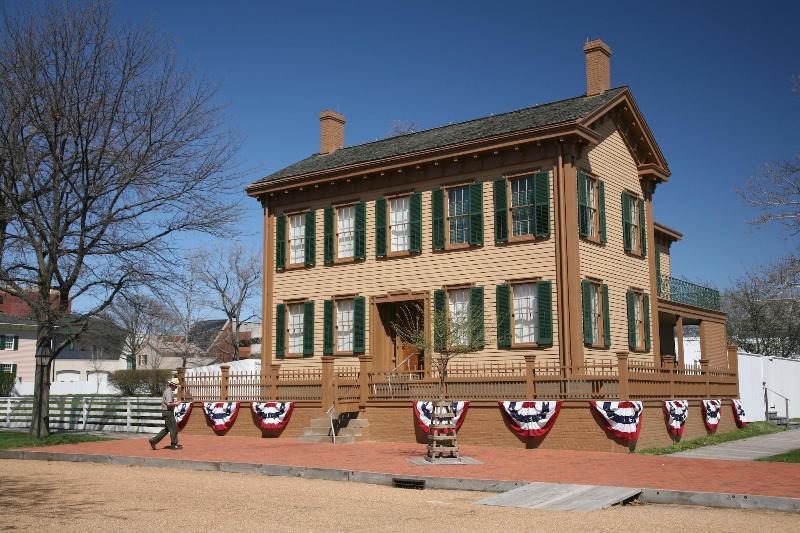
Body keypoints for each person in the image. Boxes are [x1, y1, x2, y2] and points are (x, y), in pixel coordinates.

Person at [149, 377, 182, 450]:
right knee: (174, 428)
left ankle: (154, 441)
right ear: (173, 385)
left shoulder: (168, 391)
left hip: (166, 412)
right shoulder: (168, 392)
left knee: (167, 429)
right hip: (168, 412)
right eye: (176, 386)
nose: (176, 387)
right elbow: (169, 404)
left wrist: (175, 403)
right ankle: (174, 444)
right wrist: (176, 403)